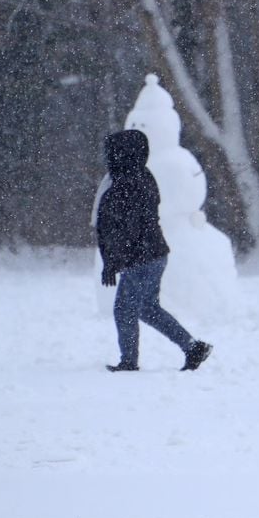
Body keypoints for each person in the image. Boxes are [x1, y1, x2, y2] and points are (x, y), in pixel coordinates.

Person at [96, 129, 212, 372]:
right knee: (147, 308)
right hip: (153, 254)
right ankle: (192, 347)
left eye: (113, 153)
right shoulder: (138, 176)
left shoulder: (129, 183)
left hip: (142, 258)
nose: (109, 157)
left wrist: (113, 261)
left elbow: (125, 229)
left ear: (124, 154)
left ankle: (129, 362)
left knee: (124, 310)